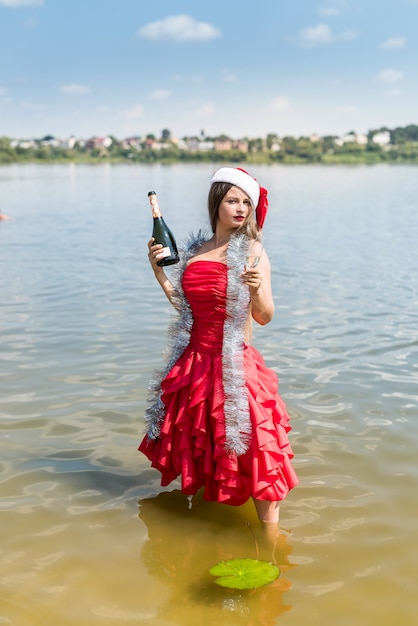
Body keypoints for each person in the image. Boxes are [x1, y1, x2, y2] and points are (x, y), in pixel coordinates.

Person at [138, 167, 298, 526]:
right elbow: (187, 308)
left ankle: (272, 541)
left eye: (246, 203)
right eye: (232, 200)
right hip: (194, 364)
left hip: (234, 363)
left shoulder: (253, 250)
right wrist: (160, 274)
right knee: (199, 448)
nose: (240, 209)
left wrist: (256, 290)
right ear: (216, 202)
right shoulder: (196, 251)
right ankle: (200, 532)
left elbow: (265, 316)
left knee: (259, 446)